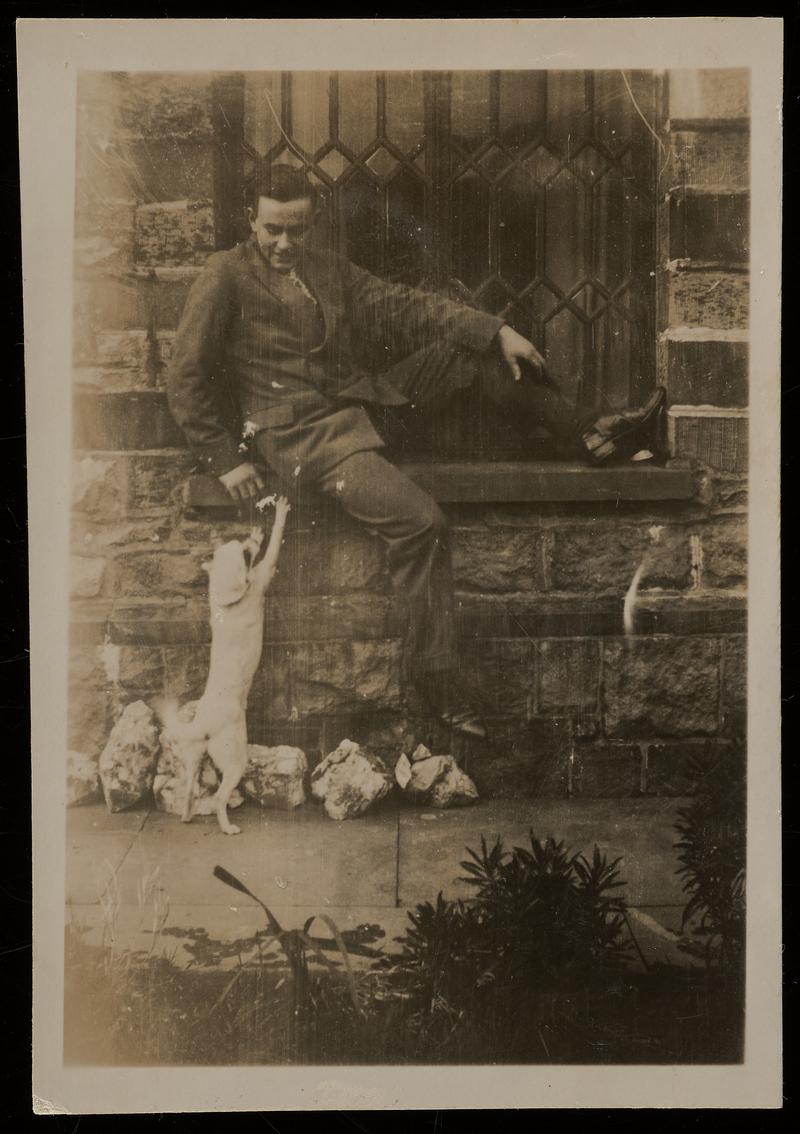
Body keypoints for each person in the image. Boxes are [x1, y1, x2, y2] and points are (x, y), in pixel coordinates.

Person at [167, 164, 664, 739]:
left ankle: (592, 432)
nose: (284, 243)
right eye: (272, 229)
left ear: (313, 223)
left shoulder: (327, 269)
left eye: (297, 230)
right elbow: (185, 377)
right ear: (250, 220)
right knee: (422, 523)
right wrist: (226, 461)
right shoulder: (224, 275)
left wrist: (494, 330)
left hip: (358, 406)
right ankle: (435, 674)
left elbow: (403, 305)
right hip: (306, 440)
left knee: (472, 353)